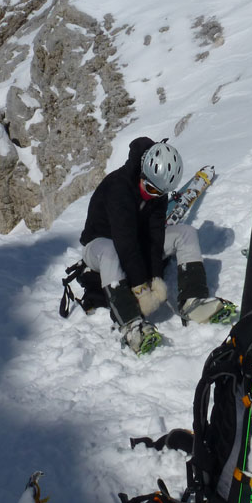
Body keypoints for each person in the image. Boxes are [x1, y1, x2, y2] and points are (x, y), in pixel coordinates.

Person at [80, 136, 229, 354]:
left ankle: (193, 300)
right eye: (150, 189)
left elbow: (155, 234)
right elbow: (125, 241)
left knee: (185, 233)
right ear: (142, 173)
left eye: (159, 194)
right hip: (99, 246)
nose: (154, 196)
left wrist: (156, 277)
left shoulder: (157, 191)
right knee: (112, 252)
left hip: (133, 243)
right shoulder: (118, 187)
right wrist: (141, 288)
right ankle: (131, 326)